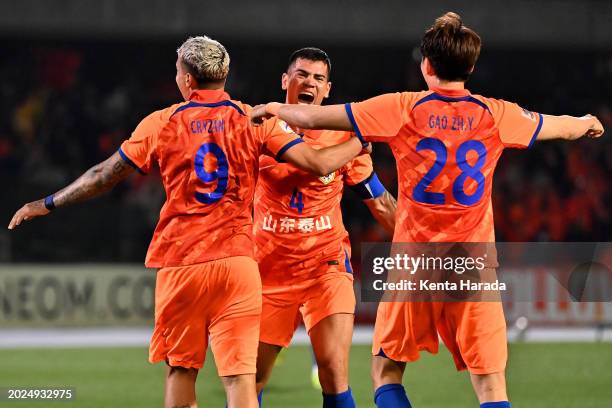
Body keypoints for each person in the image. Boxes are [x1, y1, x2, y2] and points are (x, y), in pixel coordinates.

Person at [249, 12, 605, 408]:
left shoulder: (402, 108)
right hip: (471, 266)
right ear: (470, 67)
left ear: (426, 66)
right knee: (490, 386)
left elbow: (314, 116)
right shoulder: (496, 114)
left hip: (413, 264)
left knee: (386, 371)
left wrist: (273, 110)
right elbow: (557, 126)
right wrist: (586, 121)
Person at [8, 36, 369, 408]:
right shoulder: (255, 119)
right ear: (223, 75)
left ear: (187, 80)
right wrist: (359, 142)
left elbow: (103, 176)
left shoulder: (162, 123)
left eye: (178, 69)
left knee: (182, 373)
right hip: (238, 265)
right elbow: (318, 162)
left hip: (182, 263)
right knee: (241, 382)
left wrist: (48, 202)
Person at [253, 47, 396, 407]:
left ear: (327, 89)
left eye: (318, 78)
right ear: (286, 81)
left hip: (325, 267)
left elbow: (380, 203)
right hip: (268, 271)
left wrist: (433, 248)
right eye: (302, 74)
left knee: (333, 371)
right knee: (250, 380)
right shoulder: (258, 128)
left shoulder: (341, 136)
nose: (309, 83)